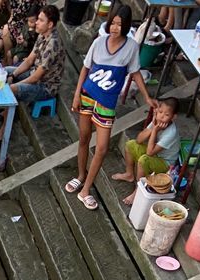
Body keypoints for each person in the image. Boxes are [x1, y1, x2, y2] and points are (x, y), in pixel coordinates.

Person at [67, 5, 154, 211]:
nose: (115, 28)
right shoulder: (98, 42)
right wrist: (77, 95)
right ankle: (80, 176)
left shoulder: (131, 47)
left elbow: (135, 73)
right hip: (88, 95)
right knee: (84, 138)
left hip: (107, 102)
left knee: (102, 148)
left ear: (125, 27)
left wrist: (147, 97)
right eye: (113, 23)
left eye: (119, 24)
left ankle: (85, 189)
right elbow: (85, 69)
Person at [112, 98, 180, 204]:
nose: (161, 116)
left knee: (144, 160)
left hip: (165, 163)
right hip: (155, 155)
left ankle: (138, 190)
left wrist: (155, 130)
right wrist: (153, 126)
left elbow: (149, 153)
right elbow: (139, 139)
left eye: (166, 115)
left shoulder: (171, 133)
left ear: (173, 117)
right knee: (131, 144)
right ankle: (129, 174)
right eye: (160, 112)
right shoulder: (156, 122)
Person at [5, 5, 65, 108]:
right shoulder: (42, 34)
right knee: (5, 71)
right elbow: (29, 61)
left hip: (46, 87)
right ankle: (3, 111)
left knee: (12, 88)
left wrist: (17, 84)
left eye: (41, 20)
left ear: (50, 24)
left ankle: (6, 120)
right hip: (34, 74)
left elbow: (36, 77)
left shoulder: (53, 45)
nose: (36, 22)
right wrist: (13, 75)